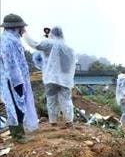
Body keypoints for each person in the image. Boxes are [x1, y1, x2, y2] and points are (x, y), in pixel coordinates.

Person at [24, 26, 76, 127]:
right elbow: (71, 64)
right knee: (66, 99)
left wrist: (25, 34)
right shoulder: (68, 48)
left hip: (51, 77)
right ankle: (69, 121)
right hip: (65, 79)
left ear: (52, 34)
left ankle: (53, 122)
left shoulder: (49, 43)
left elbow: (35, 44)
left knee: (51, 99)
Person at [0, 14, 39, 142]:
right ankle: (17, 135)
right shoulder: (9, 41)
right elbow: (11, 64)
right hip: (14, 80)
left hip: (14, 78)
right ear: (16, 27)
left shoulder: (9, 39)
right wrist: (18, 81)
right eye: (22, 27)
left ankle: (18, 132)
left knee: (17, 105)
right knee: (16, 106)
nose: (23, 30)